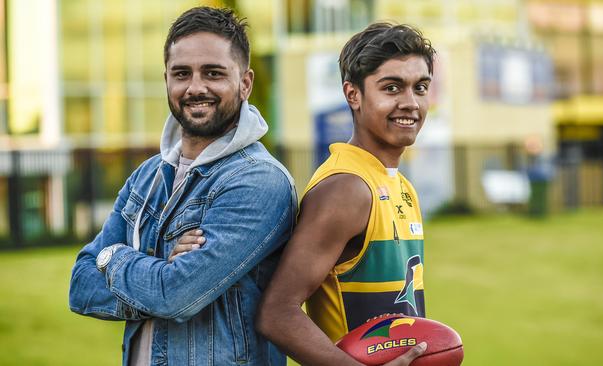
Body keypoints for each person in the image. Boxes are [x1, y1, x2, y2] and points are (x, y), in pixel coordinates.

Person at [69, 7, 296, 366]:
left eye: (213, 73)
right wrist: (160, 266)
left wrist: (113, 256)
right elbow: (80, 286)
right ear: (167, 81)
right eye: (182, 73)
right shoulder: (147, 176)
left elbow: (177, 296)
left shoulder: (259, 181)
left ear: (245, 83)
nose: (195, 87)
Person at [254, 23, 436, 365]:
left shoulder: (401, 186)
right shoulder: (346, 188)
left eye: (421, 87)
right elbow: (276, 314)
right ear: (353, 94)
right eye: (392, 87)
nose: (410, 103)